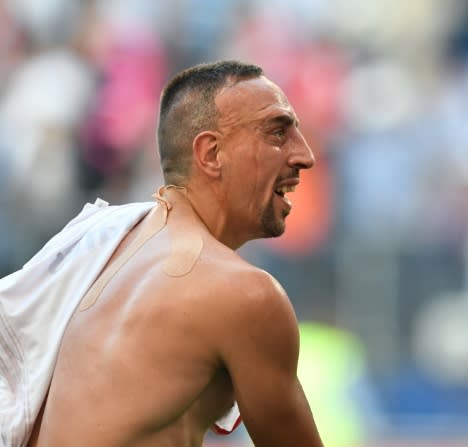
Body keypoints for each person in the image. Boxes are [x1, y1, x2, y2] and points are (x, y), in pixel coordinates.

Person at [7, 60, 324, 446]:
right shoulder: (246, 296)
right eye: (277, 133)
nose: (304, 155)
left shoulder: (111, 248)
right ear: (210, 154)